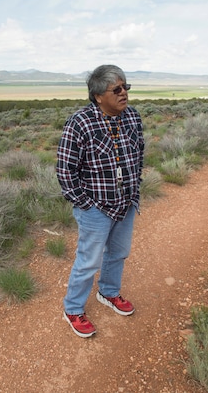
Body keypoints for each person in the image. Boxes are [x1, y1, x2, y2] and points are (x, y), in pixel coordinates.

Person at [56, 64, 145, 338]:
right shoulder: (80, 122)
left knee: (118, 253)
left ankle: (108, 293)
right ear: (98, 96)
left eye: (126, 87)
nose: (124, 93)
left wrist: (133, 187)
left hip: (126, 202)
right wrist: (83, 203)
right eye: (116, 89)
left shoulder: (132, 118)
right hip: (95, 207)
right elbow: (65, 169)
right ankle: (73, 308)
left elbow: (139, 153)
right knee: (88, 260)